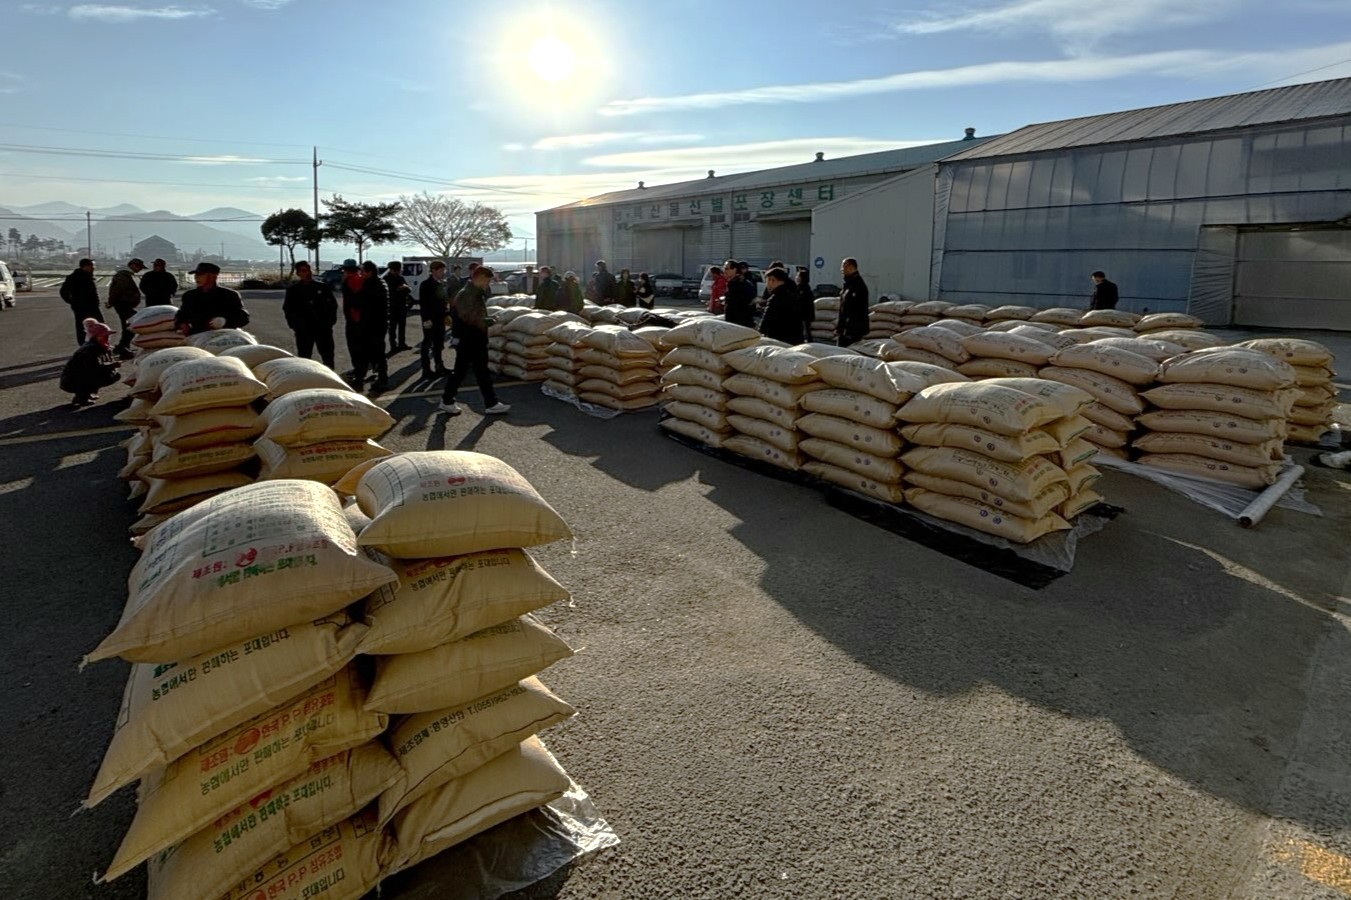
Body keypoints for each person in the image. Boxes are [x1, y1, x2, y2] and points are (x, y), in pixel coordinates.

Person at [440, 265, 510, 416]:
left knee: (479, 372)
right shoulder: (467, 294)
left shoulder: (474, 292)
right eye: (487, 281)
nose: (488, 284)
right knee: (461, 372)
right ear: (479, 278)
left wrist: (486, 321)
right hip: (469, 339)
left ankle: (490, 403)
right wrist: (489, 321)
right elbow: (469, 318)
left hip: (473, 338)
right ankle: (447, 401)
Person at [283, 260, 339, 368]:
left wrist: (330, 322)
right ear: (298, 273)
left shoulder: (323, 288)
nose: (307, 273)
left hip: (323, 328)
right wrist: (295, 325)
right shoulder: (293, 291)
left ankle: (331, 379)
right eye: (303, 271)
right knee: (304, 358)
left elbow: (332, 306)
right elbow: (288, 309)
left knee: (328, 356)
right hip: (304, 330)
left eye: (308, 270)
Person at [344, 261, 389, 392]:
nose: (360, 274)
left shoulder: (370, 285)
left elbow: (359, 303)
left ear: (370, 272)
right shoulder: (380, 283)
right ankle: (381, 379)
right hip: (378, 324)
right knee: (379, 354)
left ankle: (366, 380)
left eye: (362, 272)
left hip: (371, 326)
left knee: (366, 354)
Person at [175, 262, 249, 335]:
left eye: (200, 274)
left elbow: (243, 317)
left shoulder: (229, 295)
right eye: (196, 274)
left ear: (213, 277)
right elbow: (181, 314)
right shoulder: (189, 296)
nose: (196, 277)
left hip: (225, 334)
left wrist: (224, 321)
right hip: (198, 335)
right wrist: (182, 323)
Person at [60, 318, 120, 407]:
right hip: (72, 381)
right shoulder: (91, 349)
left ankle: (87, 393)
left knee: (110, 374)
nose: (107, 338)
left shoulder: (99, 346)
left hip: (76, 378)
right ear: (96, 336)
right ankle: (81, 397)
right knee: (103, 375)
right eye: (104, 335)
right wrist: (112, 365)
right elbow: (93, 367)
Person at [106, 257, 145, 359]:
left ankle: (123, 347)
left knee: (128, 326)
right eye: (139, 267)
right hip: (123, 304)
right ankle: (123, 347)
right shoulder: (123, 276)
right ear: (133, 265)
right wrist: (110, 302)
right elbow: (117, 291)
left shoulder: (125, 275)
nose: (139, 270)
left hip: (123, 304)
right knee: (131, 325)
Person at [59, 258, 102, 347]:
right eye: (91, 266)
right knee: (82, 326)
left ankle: (97, 343)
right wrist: (73, 302)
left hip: (92, 306)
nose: (93, 268)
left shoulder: (89, 276)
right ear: (85, 266)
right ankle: (84, 344)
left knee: (98, 324)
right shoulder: (74, 277)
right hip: (81, 306)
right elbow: (63, 291)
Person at [419, 260, 450, 379]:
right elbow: (424, 304)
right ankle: (426, 370)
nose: (443, 273)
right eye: (441, 270)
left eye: (444, 270)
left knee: (438, 344)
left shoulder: (441, 284)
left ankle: (439, 366)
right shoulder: (426, 284)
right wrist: (426, 319)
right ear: (433, 271)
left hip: (440, 319)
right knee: (427, 344)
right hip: (430, 320)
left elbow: (443, 301)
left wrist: (446, 314)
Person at [759, 267, 804, 344]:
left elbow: (766, 321)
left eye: (767, 281)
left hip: (779, 340)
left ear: (772, 280)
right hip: (796, 339)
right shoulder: (794, 295)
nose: (766, 284)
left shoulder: (775, 299)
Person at [836, 257, 870, 347]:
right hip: (845, 328)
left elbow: (858, 310)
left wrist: (849, 328)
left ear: (851, 268)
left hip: (852, 330)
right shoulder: (848, 284)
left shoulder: (858, 285)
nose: (841, 270)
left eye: (843, 267)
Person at [383, 260, 412, 354]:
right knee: (392, 327)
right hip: (392, 306)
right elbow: (391, 292)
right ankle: (393, 346)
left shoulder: (400, 278)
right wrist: (400, 289)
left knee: (402, 326)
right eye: (396, 270)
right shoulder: (386, 279)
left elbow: (408, 289)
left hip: (402, 305)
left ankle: (402, 344)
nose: (398, 272)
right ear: (391, 269)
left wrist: (403, 288)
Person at [722, 259, 757, 328]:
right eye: (724, 269)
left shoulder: (739, 283)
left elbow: (737, 304)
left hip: (739, 322)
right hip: (737, 321)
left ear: (734, 269)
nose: (724, 271)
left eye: (727, 269)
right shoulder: (735, 282)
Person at [795, 268, 815, 342]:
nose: (796, 277)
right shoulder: (801, 288)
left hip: (804, 315)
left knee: (806, 331)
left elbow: (804, 303)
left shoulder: (804, 289)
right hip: (804, 314)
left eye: (798, 276)